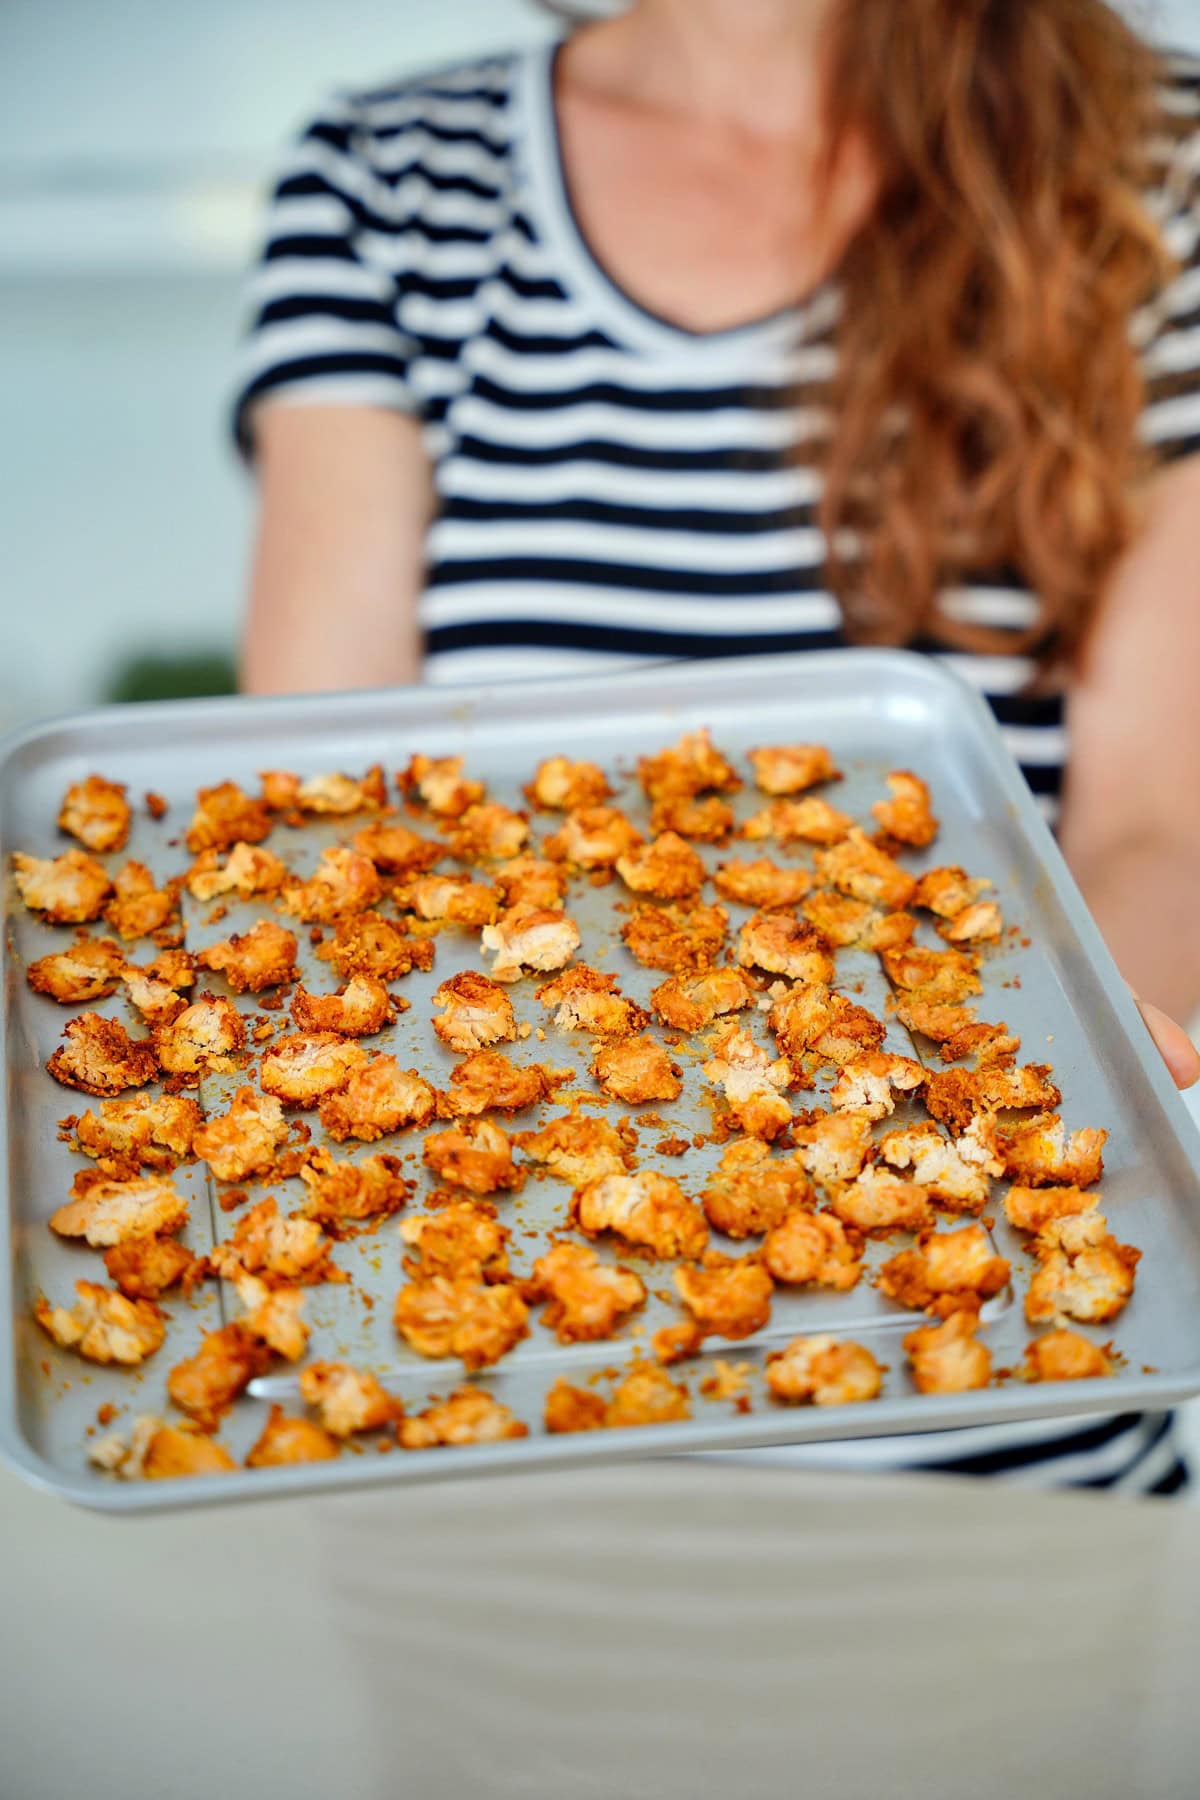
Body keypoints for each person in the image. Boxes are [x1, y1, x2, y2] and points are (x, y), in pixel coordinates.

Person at [233, 0, 1200, 1491]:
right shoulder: (392, 177)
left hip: (1003, 1433)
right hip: (477, 1416)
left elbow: (1162, 821)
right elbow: (314, 808)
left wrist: (1059, 1059)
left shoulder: (1159, 161)